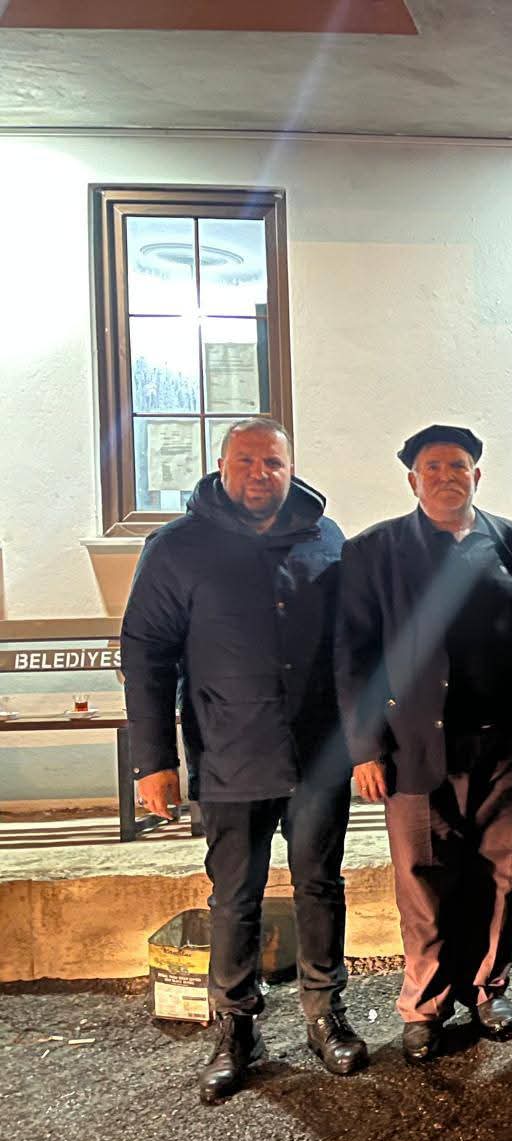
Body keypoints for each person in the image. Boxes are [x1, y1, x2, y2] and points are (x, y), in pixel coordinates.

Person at [121, 417, 363, 1103]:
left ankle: (325, 1013)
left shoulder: (324, 538)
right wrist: (153, 761)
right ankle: (236, 1028)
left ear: (291, 468)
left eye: (273, 463)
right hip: (229, 754)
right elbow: (147, 654)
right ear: (222, 466)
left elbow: (349, 647)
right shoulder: (177, 547)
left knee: (320, 886)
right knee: (235, 897)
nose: (260, 474)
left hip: (316, 756)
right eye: (247, 461)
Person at [336, 425, 512, 1063]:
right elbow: (353, 657)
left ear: (477, 476)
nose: (447, 476)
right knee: (424, 879)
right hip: (413, 747)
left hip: (505, 747)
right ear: (412, 480)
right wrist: (363, 748)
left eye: (459, 466)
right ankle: (425, 1004)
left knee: (500, 873)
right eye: (433, 467)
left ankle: (486, 988)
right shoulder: (374, 552)